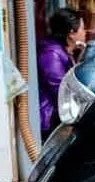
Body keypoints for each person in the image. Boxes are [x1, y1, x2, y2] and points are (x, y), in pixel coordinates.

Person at [36, 7, 85, 139]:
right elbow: (60, 92)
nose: (84, 32)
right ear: (71, 33)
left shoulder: (65, 52)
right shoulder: (51, 55)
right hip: (50, 119)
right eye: (82, 28)